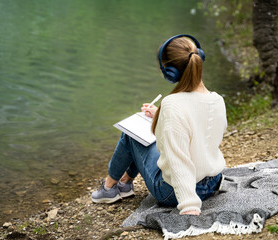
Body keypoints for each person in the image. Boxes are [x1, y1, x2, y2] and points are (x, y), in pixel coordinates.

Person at [91, 34, 227, 215]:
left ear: (170, 73)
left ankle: (109, 188)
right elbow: (200, 129)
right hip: (212, 182)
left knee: (131, 134)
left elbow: (179, 160)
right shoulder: (217, 100)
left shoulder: (173, 104)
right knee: (146, 137)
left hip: (174, 192)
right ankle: (123, 184)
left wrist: (189, 205)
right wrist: (160, 115)